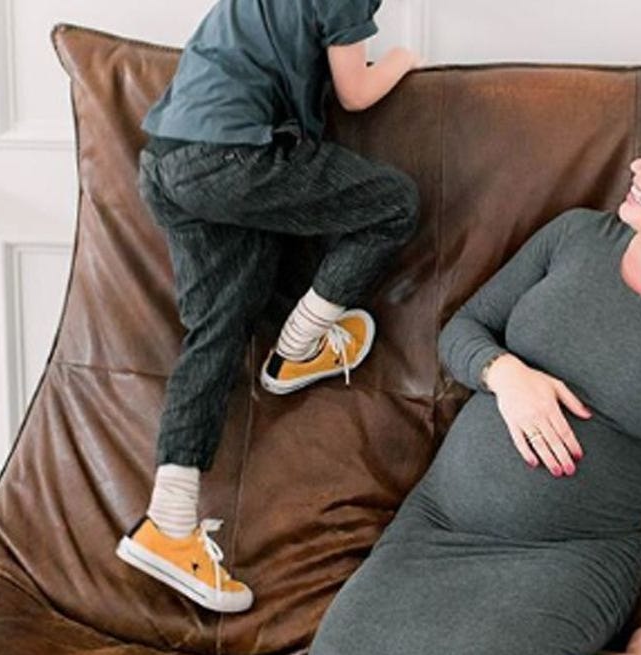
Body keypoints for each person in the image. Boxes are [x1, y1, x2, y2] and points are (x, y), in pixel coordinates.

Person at [307, 104, 641, 655]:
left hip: (565, 560)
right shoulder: (576, 238)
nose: (635, 165)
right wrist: (505, 374)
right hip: (436, 528)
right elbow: (463, 330)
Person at [115, 0, 421, 613]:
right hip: (234, 156)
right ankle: (298, 344)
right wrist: (403, 59)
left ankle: (168, 523)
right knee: (396, 203)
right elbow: (356, 92)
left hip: (168, 159)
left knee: (219, 326)